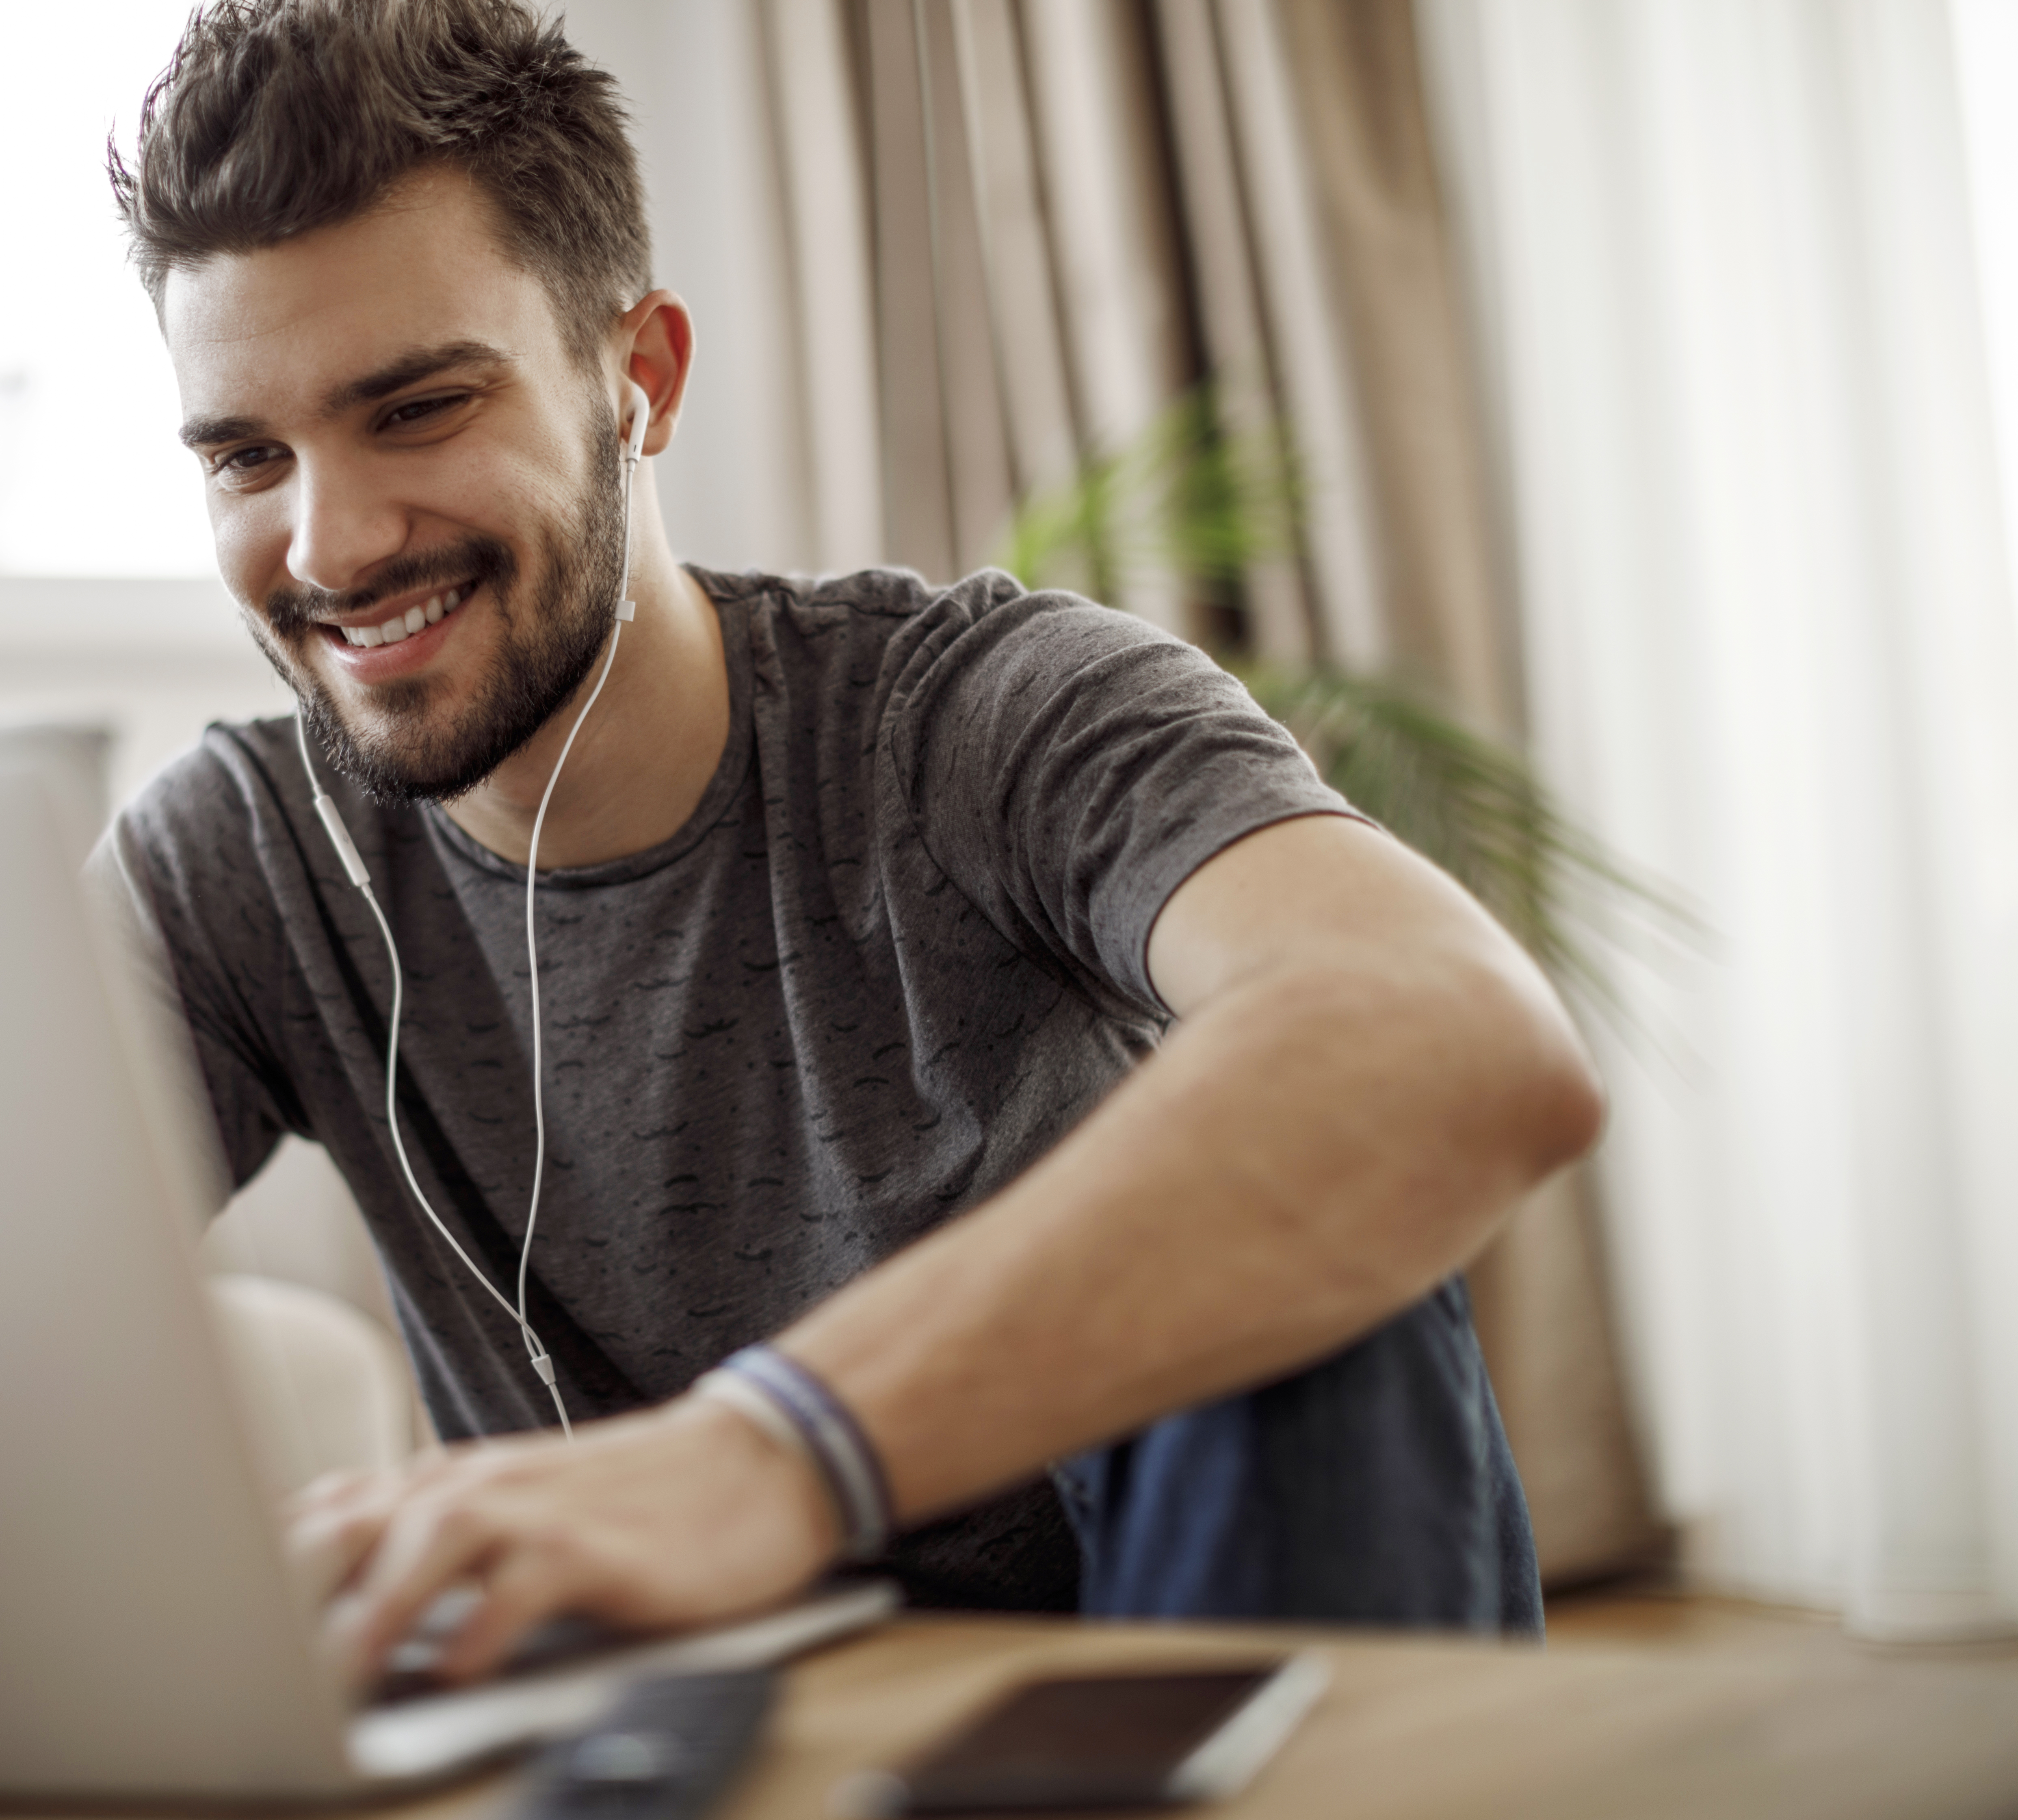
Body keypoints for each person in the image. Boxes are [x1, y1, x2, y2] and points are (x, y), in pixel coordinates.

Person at [97, 0, 1603, 1686]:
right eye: (247, 456)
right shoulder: (235, 862)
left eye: (421, 409)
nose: (332, 540)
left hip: (1124, 1692)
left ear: (639, 376)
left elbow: (1460, 1038)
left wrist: (775, 1450)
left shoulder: (980, 716)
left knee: (1327, 1271)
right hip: (660, 1750)